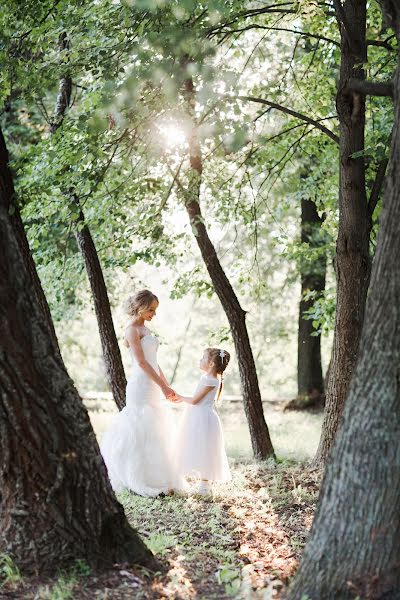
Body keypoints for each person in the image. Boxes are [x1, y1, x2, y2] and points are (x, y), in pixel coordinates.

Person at [100, 289, 184, 497]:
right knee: (140, 427)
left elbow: (154, 362)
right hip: (141, 384)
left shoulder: (146, 330)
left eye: (155, 310)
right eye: (151, 310)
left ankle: (159, 477)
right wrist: (162, 386)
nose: (154, 314)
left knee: (156, 428)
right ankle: (137, 478)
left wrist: (166, 385)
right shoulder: (131, 330)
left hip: (153, 383)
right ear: (140, 307)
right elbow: (141, 362)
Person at [172, 347, 232, 496]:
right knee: (194, 445)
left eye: (203, 358)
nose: (200, 360)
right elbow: (196, 398)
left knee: (205, 449)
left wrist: (179, 397)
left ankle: (205, 485)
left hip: (203, 418)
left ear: (211, 364)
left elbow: (194, 400)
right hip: (197, 415)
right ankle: (190, 481)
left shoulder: (211, 381)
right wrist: (181, 397)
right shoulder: (207, 378)